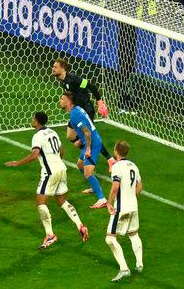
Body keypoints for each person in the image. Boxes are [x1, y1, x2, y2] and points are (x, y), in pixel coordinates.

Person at [4, 111, 89, 250]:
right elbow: (61, 151)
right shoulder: (53, 132)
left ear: (37, 121)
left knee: (40, 202)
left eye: (33, 118)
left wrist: (17, 163)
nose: (32, 120)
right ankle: (80, 225)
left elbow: (35, 154)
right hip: (62, 169)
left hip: (50, 172)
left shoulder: (37, 136)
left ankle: (50, 235)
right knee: (62, 201)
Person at [105, 140, 144, 282]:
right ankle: (139, 264)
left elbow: (115, 187)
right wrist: (133, 197)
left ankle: (124, 269)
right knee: (133, 234)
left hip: (121, 207)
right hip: (133, 205)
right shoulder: (133, 165)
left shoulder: (117, 167)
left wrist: (109, 203)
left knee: (110, 238)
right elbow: (140, 186)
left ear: (116, 151)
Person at [60, 92, 107, 208]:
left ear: (68, 101)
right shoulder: (76, 110)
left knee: (88, 172)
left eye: (62, 99)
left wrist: (88, 149)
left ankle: (102, 199)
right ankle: (94, 187)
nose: (60, 101)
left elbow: (87, 131)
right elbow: (87, 127)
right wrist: (80, 141)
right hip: (88, 142)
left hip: (93, 144)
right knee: (80, 165)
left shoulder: (75, 115)